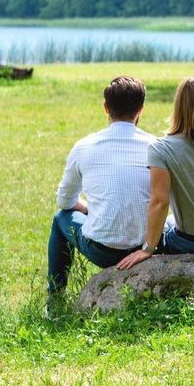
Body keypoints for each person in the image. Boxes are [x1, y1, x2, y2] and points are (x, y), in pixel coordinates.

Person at [48, 75, 158, 302]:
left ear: (106, 108)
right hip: (146, 244)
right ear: (141, 109)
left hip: (102, 250)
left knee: (61, 218)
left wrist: (89, 208)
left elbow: (65, 202)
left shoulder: (84, 146)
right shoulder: (157, 147)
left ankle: (55, 297)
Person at [116, 76, 194, 270]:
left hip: (192, 243)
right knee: (170, 221)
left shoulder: (161, 149)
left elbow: (160, 202)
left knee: (166, 229)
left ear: (178, 106)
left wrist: (148, 248)